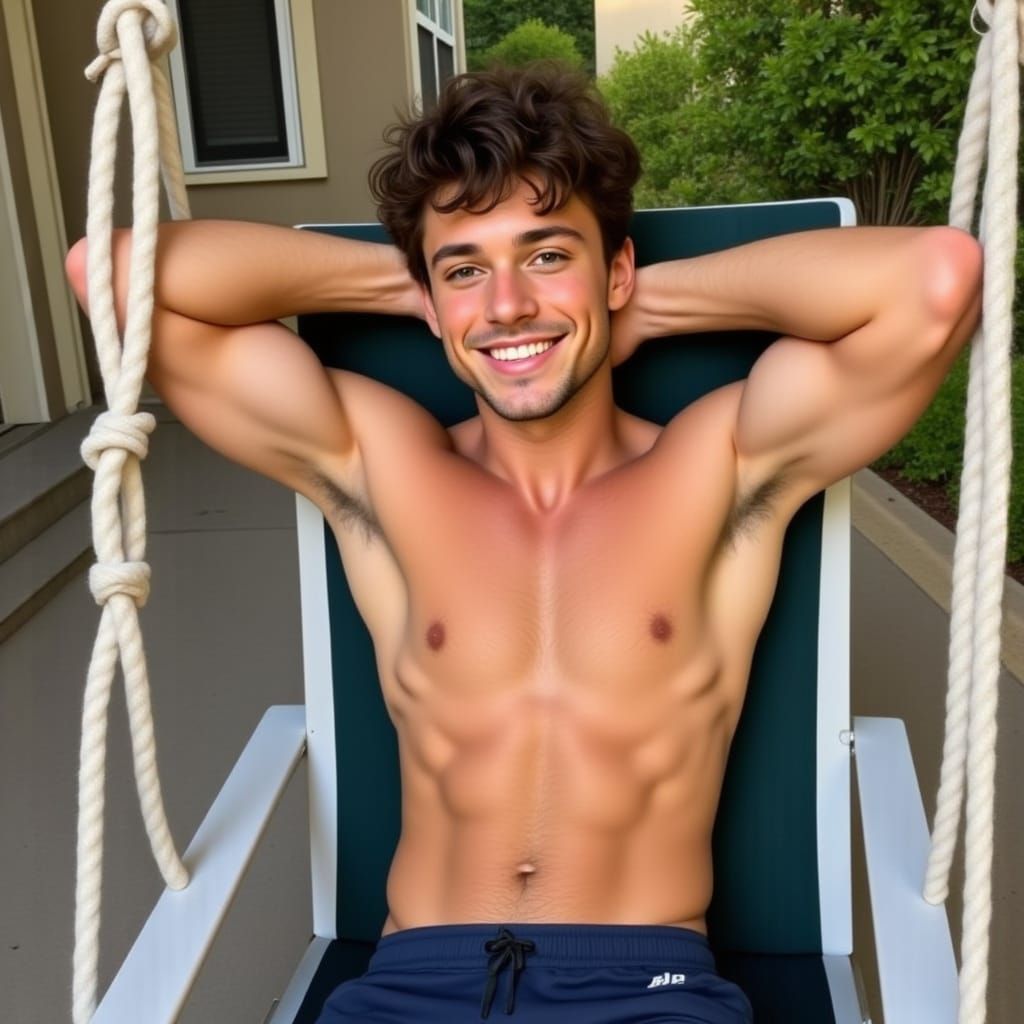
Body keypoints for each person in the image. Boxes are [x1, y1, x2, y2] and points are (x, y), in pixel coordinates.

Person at [65, 63, 981, 1024]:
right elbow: (113, 276)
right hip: (412, 986)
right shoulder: (380, 467)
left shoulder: (722, 464)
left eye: (548, 254)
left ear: (615, 266)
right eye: (467, 269)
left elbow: (935, 279)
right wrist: (417, 284)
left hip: (648, 989)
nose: (507, 307)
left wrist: (634, 308)